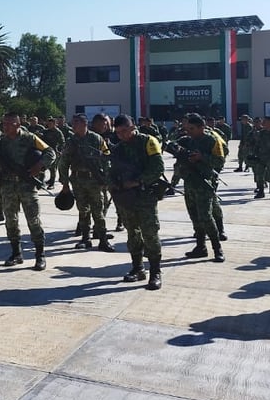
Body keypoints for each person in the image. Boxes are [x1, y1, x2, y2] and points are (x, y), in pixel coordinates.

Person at [0, 111, 56, 270]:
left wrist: (39, 166)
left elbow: (50, 152)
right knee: (11, 220)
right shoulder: (1, 141)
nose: (4, 126)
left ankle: (40, 255)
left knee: (33, 220)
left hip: (26, 185)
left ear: (18, 125)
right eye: (3, 123)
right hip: (7, 186)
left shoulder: (30, 138)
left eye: (8, 124)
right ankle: (16, 253)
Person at [108, 114, 166, 290]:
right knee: (132, 233)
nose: (122, 135)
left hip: (145, 196)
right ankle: (137, 268)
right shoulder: (118, 149)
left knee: (150, 233)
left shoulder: (148, 142)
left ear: (133, 127)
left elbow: (158, 168)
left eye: (125, 131)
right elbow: (110, 172)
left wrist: (137, 181)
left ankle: (155, 271)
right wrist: (113, 183)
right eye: (118, 133)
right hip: (126, 197)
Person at [57, 113, 113, 251]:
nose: (73, 125)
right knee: (83, 210)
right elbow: (63, 163)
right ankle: (85, 238)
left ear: (84, 124)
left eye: (76, 122)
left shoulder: (97, 139)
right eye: (73, 122)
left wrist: (106, 178)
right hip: (78, 180)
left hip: (94, 181)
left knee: (98, 210)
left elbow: (106, 159)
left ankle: (103, 240)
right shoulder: (71, 141)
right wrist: (64, 183)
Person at [175, 113, 227, 262]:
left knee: (206, 217)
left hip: (204, 184)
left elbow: (219, 162)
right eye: (187, 128)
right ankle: (200, 247)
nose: (188, 131)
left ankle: (217, 249)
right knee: (195, 217)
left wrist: (201, 157)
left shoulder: (212, 140)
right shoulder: (187, 140)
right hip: (190, 183)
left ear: (201, 127)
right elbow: (171, 146)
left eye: (191, 128)